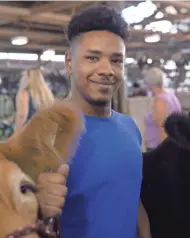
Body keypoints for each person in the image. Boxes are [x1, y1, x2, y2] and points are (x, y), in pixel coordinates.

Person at [37, 5, 143, 238]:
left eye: (116, 60)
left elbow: (133, 202)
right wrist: (36, 206)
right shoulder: (44, 135)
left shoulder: (130, 128)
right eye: (92, 58)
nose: (106, 70)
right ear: (70, 62)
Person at [144, 67, 181, 151]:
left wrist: (162, 152)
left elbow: (163, 129)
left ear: (150, 82)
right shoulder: (172, 97)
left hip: (158, 148)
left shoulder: (160, 100)